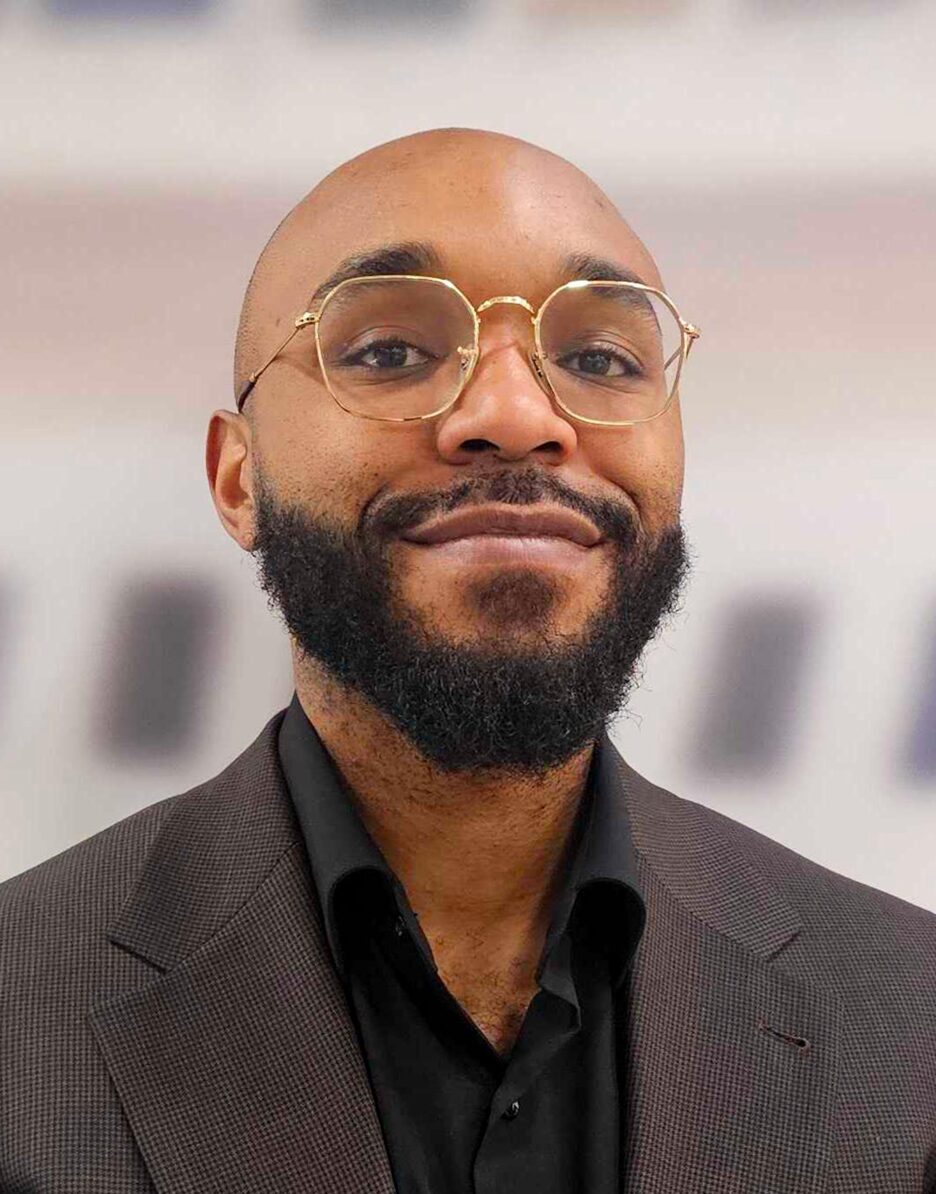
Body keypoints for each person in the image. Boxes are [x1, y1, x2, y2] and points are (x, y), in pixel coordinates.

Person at [1, 128, 934, 1194]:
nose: (516, 417)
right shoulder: (20, 1023)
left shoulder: (911, 1027)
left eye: (599, 359)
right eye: (390, 352)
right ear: (238, 479)